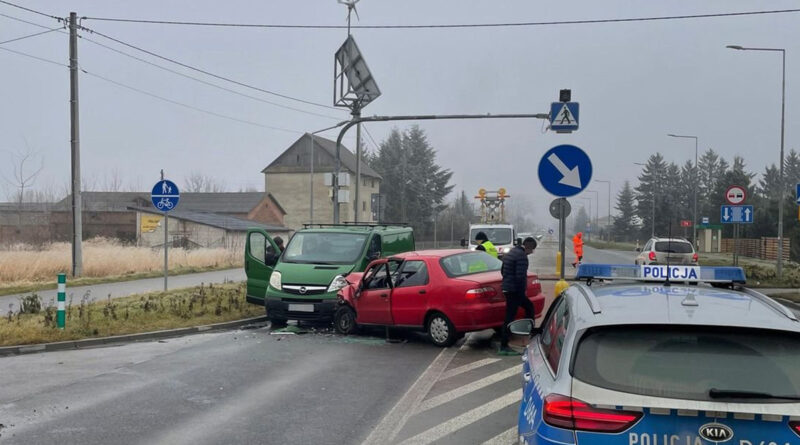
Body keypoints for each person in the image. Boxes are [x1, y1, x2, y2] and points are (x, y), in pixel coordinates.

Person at [498, 236, 537, 355]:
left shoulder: (512, 252)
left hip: (508, 288)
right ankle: (504, 345)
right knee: (511, 316)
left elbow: (502, 270)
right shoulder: (522, 256)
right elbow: (520, 277)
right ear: (529, 247)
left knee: (527, 307)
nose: (532, 252)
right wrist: (522, 292)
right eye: (532, 249)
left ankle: (526, 332)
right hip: (514, 290)